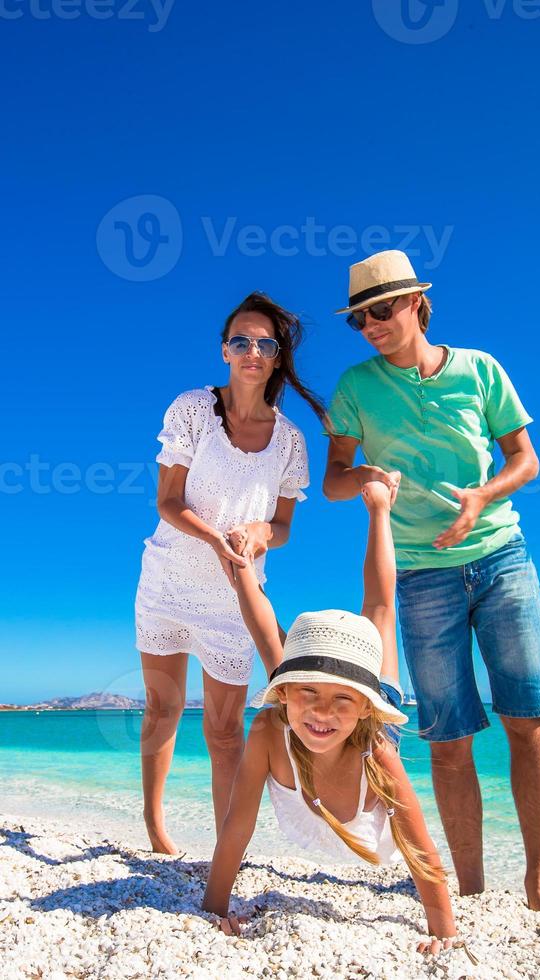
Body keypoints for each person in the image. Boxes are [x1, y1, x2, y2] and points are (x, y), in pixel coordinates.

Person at [323, 249, 540, 916]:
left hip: (503, 558)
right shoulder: (354, 387)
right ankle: (474, 889)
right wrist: (369, 480)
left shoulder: (481, 370)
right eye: (359, 318)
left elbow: (526, 458)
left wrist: (482, 496)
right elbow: (333, 478)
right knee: (449, 738)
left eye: (382, 309)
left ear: (417, 304)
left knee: (528, 719)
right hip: (421, 575)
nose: (370, 324)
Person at [202, 482, 465, 958]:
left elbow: (417, 842)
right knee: (274, 648)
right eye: (307, 694)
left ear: (363, 705)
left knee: (380, 612)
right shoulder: (272, 726)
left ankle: (380, 509)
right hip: (301, 708)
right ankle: (243, 575)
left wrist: (443, 932)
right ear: (283, 695)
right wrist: (214, 908)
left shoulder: (376, 749)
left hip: (367, 707)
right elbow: (238, 826)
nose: (323, 712)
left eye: (341, 699)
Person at [135, 291, 324, 854]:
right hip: (168, 582)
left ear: (276, 357)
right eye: (241, 340)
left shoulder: (290, 440)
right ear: (225, 350)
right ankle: (154, 827)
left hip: (235, 602)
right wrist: (215, 537)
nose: (252, 351)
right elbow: (168, 501)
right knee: (162, 708)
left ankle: (225, 848)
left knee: (223, 730)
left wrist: (262, 533)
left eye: (265, 344)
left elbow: (283, 525)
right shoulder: (193, 409)